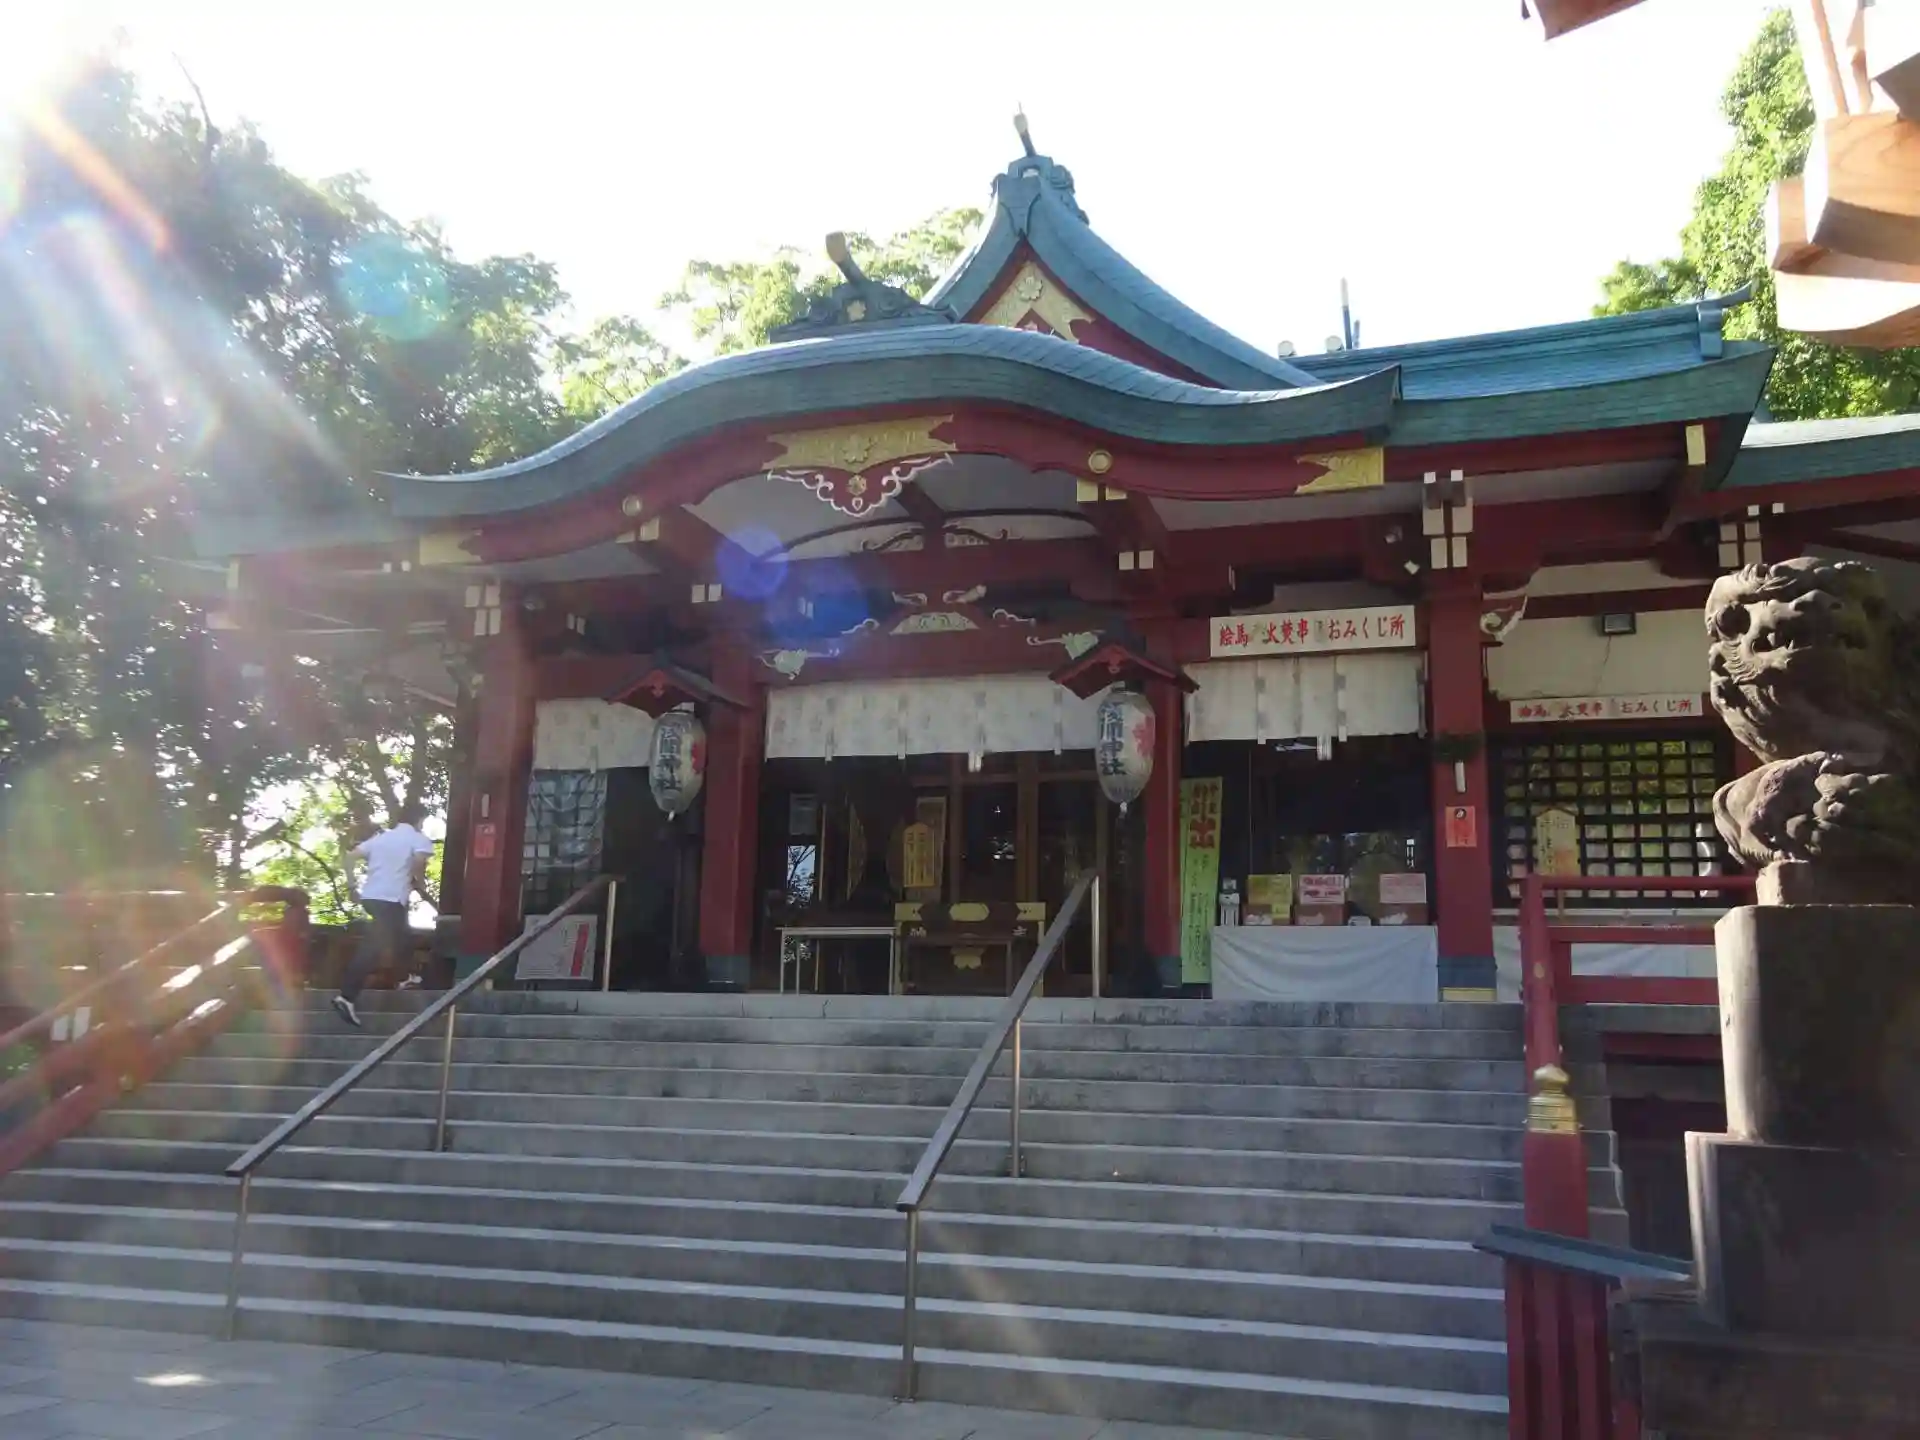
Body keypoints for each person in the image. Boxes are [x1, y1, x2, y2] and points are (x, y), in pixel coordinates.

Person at [333, 805, 437, 1028]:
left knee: (402, 937)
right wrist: (420, 884)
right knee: (373, 948)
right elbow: (418, 865)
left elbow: (349, 858)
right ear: (419, 820)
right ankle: (346, 996)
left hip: (371, 897)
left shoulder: (381, 838)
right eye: (422, 821)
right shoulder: (418, 839)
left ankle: (404, 977)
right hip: (391, 899)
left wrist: (352, 887)